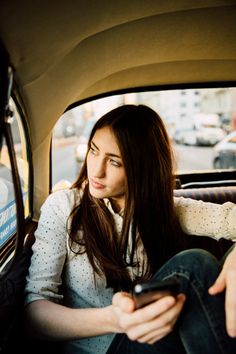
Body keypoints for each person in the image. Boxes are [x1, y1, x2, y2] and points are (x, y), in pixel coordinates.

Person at [24, 105, 236, 354]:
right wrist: (114, 319)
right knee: (195, 264)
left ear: (141, 168)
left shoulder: (168, 210)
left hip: (165, 344)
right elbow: (34, 313)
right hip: (100, 349)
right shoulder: (64, 207)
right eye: (93, 150)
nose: (96, 169)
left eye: (114, 162)